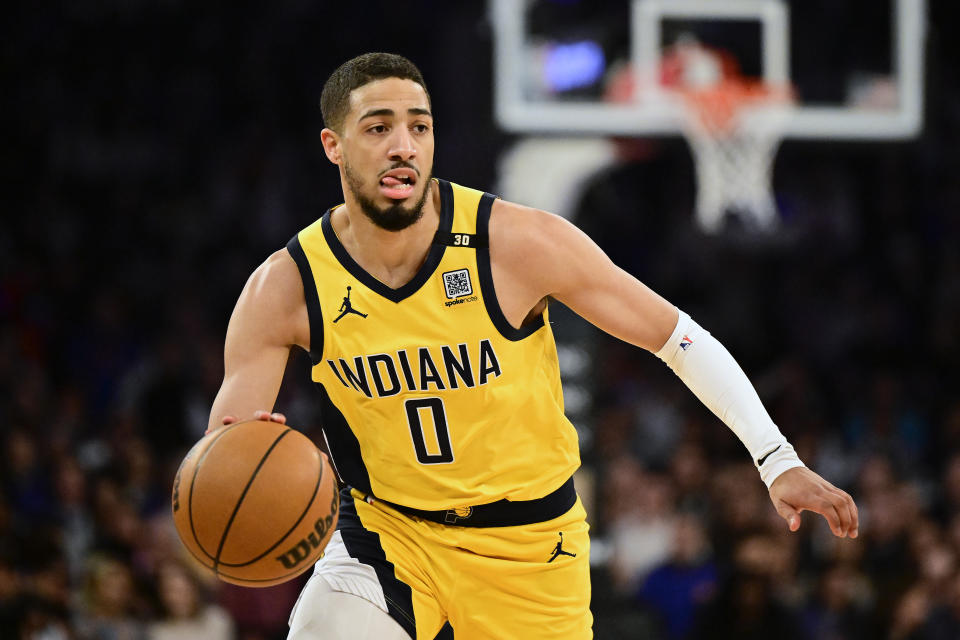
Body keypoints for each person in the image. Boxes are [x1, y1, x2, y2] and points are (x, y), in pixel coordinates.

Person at [206, 52, 859, 640]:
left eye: (419, 126)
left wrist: (776, 459)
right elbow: (225, 453)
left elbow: (678, 338)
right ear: (334, 146)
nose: (403, 146)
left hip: (529, 547)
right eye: (378, 128)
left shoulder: (514, 244)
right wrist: (240, 458)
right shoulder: (286, 286)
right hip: (386, 536)